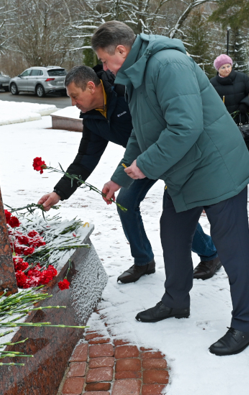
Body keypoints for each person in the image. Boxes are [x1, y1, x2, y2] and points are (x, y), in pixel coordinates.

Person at [93, 21, 249, 357]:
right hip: (186, 168)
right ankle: (175, 301)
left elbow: (185, 126)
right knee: (171, 231)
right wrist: (119, 178)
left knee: (232, 247)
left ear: (122, 51)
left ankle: (247, 324)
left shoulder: (167, 65)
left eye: (105, 60)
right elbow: (141, 135)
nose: (104, 68)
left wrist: (145, 166)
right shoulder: (138, 76)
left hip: (215, 166)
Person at [36, 65, 223, 283]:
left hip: (169, 152)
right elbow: (85, 159)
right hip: (138, 161)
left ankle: (211, 254)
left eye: (75, 96)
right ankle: (143, 260)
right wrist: (59, 192)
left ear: (90, 87)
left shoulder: (125, 91)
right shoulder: (92, 118)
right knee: (126, 201)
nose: (73, 103)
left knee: (177, 208)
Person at [209, 54, 249, 161]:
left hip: (243, 118)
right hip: (225, 121)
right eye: (223, 67)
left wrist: (245, 104)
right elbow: (210, 101)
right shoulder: (212, 83)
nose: (226, 69)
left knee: (248, 148)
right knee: (229, 150)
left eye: (228, 66)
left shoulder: (243, 78)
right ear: (218, 69)